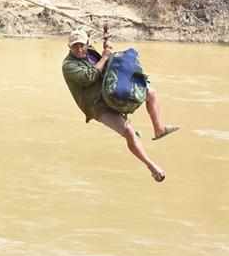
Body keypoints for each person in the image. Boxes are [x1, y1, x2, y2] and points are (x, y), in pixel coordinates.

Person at [61, 28, 179, 181]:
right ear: (69, 47)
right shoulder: (68, 65)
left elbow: (105, 64)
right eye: (74, 46)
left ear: (87, 43)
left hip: (110, 90)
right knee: (128, 132)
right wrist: (104, 56)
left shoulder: (89, 52)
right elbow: (88, 77)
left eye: (81, 45)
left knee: (151, 93)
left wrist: (107, 49)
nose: (78, 49)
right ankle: (151, 166)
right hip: (96, 105)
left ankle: (159, 129)